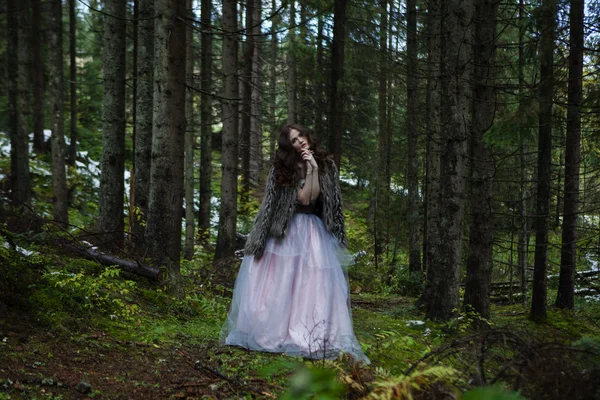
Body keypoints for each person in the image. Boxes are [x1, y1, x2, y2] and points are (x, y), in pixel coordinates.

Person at [220, 124, 369, 364]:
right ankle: (275, 332)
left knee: (312, 285)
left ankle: (312, 334)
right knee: (281, 284)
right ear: (288, 146)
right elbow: (302, 198)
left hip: (314, 231)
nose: (300, 141)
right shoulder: (283, 168)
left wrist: (313, 168)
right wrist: (309, 170)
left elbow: (316, 199)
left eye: (301, 136)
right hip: (285, 231)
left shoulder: (326, 166)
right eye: (294, 140)